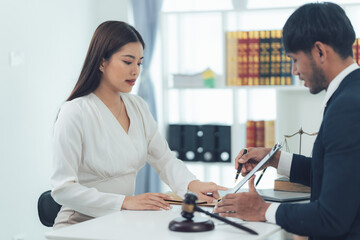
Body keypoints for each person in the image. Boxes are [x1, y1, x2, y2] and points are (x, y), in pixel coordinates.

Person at [51, 21, 226, 229]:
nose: (135, 71)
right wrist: (125, 202)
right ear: (101, 62)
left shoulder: (137, 106)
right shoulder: (75, 112)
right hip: (79, 224)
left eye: (140, 63)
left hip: (120, 220)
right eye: (127, 62)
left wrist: (192, 185)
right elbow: (63, 189)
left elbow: (165, 159)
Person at [214, 2, 360, 240]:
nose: (294, 71)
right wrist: (274, 159)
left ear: (320, 51)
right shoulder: (351, 93)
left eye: (294, 59)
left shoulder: (348, 108)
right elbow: (336, 176)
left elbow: (332, 220)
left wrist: (263, 210)